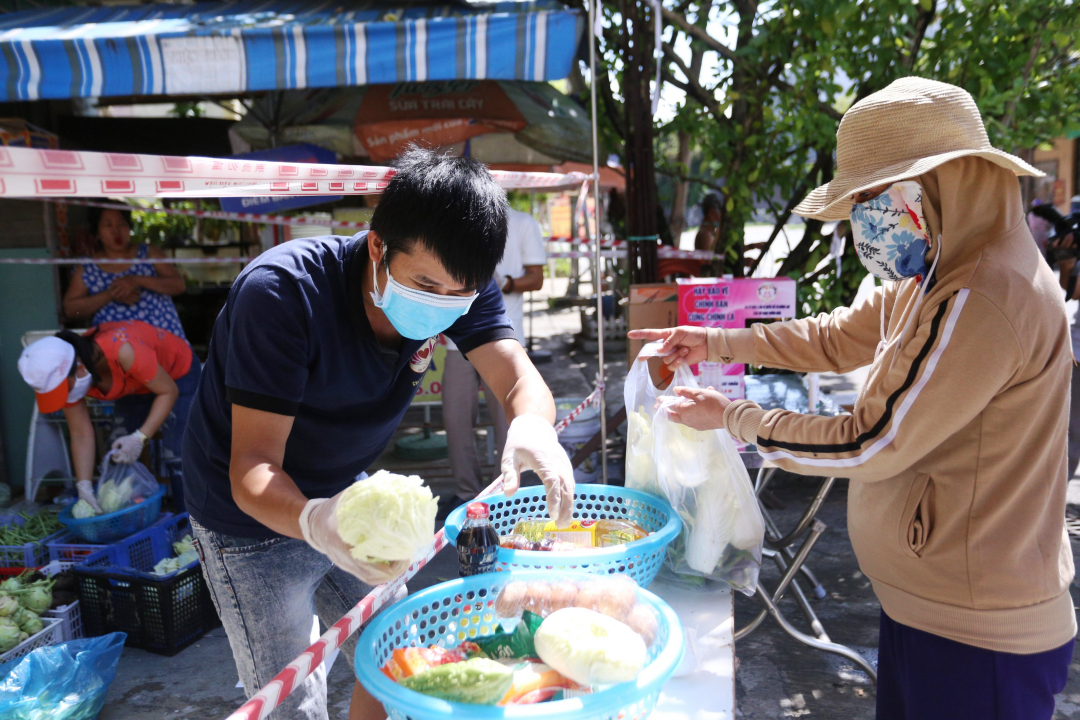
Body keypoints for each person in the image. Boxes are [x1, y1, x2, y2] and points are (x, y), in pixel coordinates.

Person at [631, 78, 1076, 720]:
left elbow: (872, 440)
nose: (865, 214)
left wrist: (734, 417)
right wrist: (714, 341)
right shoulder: (932, 268)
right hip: (931, 611)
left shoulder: (983, 295)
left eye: (872, 195)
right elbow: (840, 336)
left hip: (979, 636)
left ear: (944, 182)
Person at [181, 148, 575, 720]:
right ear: (376, 246)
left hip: (348, 493)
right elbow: (252, 472)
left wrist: (534, 424)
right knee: (290, 699)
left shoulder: (458, 281)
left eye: (457, 295)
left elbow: (518, 377)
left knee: (400, 658)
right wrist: (316, 521)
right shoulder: (282, 295)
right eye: (423, 284)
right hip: (248, 524)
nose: (440, 305)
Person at [17, 320, 199, 513]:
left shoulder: (123, 350)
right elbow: (80, 433)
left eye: (62, 390)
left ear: (80, 369)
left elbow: (168, 391)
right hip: (135, 385)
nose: (64, 396)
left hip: (177, 372)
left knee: (177, 452)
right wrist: (84, 485)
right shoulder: (70, 378)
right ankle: (143, 514)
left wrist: (140, 437)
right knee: (119, 454)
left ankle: (190, 520)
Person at [441, 207, 546, 515]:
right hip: (456, 336)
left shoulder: (522, 222)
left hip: (506, 335)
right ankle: (467, 494)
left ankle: (510, 495)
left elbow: (536, 278)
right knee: (455, 417)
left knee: (511, 421)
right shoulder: (451, 219)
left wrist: (506, 284)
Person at [63, 204, 188, 340]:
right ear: (97, 233)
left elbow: (179, 285)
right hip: (116, 350)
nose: (116, 231)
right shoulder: (87, 267)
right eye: (108, 225)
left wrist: (137, 281)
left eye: (122, 224)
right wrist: (112, 293)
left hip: (164, 342)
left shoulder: (149, 253)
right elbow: (70, 309)